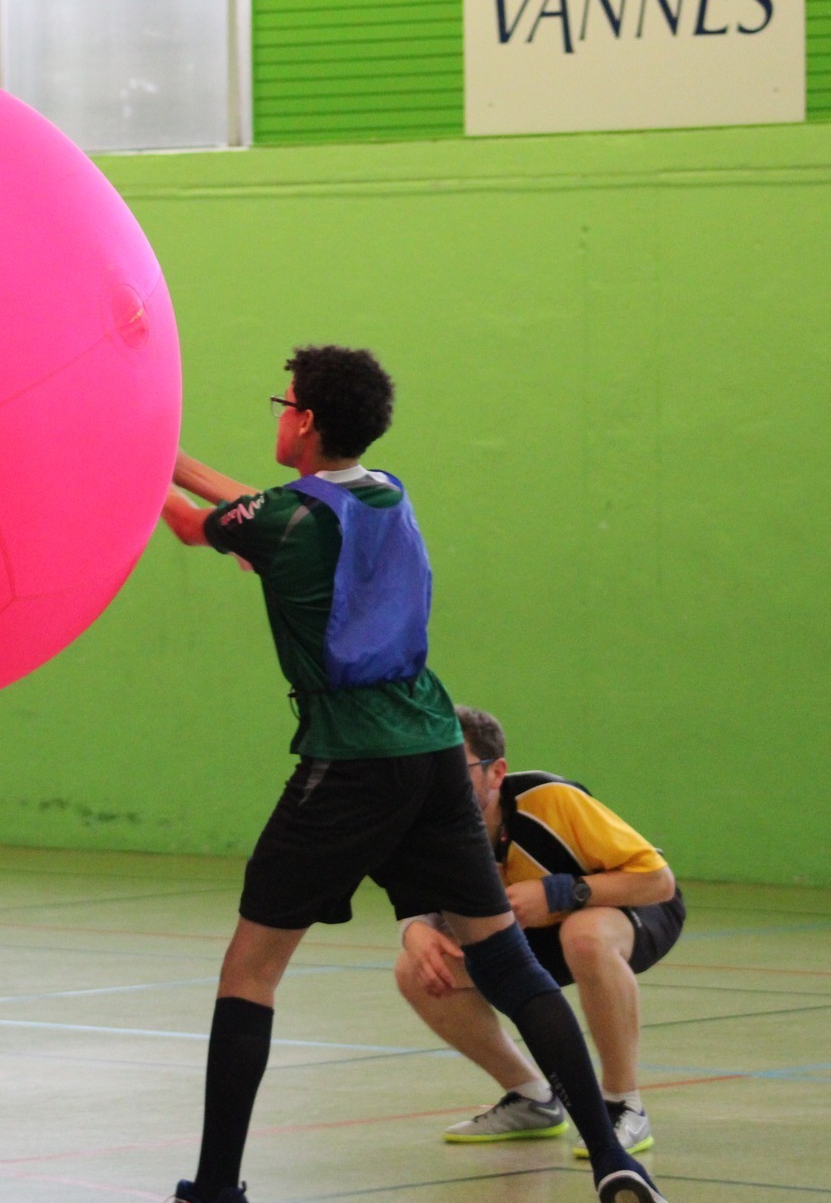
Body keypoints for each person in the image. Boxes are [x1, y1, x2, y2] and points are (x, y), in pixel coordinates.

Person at [158, 344, 666, 1203]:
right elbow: (262, 505)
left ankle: (214, 1189)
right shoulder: (385, 491)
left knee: (250, 971)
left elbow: (189, 522)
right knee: (507, 961)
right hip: (433, 748)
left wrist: (126, 464)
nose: (278, 412)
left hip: (351, 758)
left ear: (305, 421)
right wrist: (168, 454)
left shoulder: (286, 520)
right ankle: (615, 1155)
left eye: (283, 402)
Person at [398, 706, 682, 1156]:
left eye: (455, 766)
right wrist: (414, 930)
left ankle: (623, 1103)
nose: (439, 781)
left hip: (627, 905)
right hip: (535, 929)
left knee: (584, 937)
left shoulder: (549, 800)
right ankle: (532, 1098)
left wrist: (559, 893)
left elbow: (657, 881)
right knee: (418, 969)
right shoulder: (431, 824)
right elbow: (417, 897)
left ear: (496, 772)